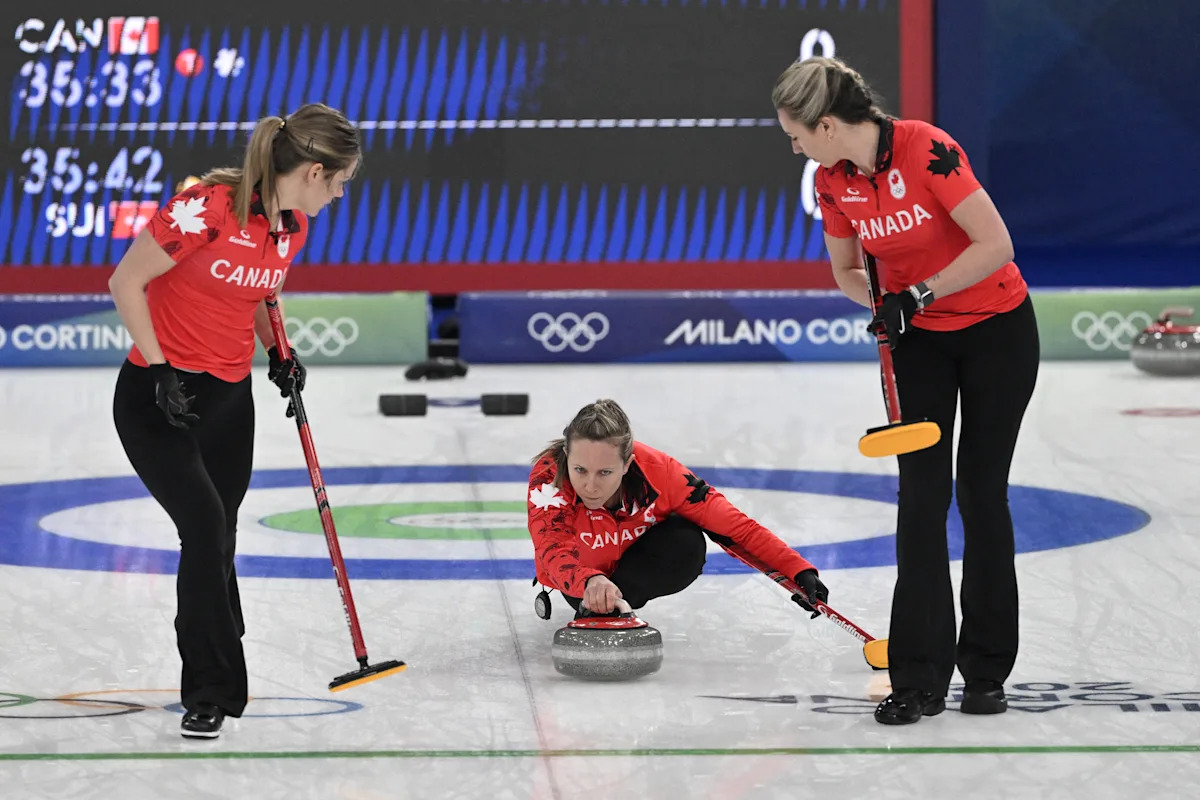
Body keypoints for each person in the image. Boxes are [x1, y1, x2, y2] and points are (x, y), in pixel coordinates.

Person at [771, 57, 1040, 724]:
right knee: (921, 501)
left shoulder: (928, 149)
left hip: (997, 332)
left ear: (827, 125)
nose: (795, 149)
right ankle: (918, 678)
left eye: (797, 136)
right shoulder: (833, 181)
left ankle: (986, 671)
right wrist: (882, 304)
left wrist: (917, 292)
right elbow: (844, 269)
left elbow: (995, 244)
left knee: (981, 495)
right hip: (918, 342)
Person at [109, 103, 361, 739]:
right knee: (203, 527)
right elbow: (125, 282)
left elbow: (258, 295)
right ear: (312, 171)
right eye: (339, 182)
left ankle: (218, 627)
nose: (338, 195)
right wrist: (161, 369)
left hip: (227, 399)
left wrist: (280, 352)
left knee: (221, 535)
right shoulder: (206, 208)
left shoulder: (291, 227)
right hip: (158, 396)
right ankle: (210, 688)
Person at [526, 399, 828, 623]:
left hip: (630, 567)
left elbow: (735, 527)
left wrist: (797, 570)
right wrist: (589, 581)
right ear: (566, 456)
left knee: (686, 542)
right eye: (580, 469)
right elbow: (551, 548)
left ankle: (608, 606)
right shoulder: (549, 479)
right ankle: (594, 603)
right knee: (575, 566)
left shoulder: (662, 473)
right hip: (578, 577)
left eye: (605, 472)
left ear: (628, 463)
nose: (590, 485)